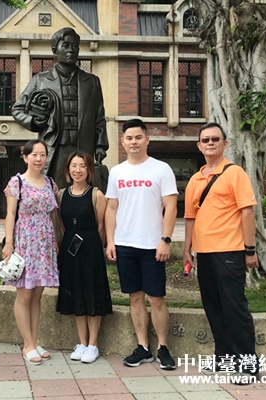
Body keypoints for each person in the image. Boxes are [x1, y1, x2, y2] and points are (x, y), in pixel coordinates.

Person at [183, 122, 259, 383]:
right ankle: (224, 357)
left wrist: (250, 250)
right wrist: (186, 251)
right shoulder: (195, 179)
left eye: (215, 139)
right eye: (205, 140)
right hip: (203, 253)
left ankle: (248, 365)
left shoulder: (235, 173)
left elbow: (247, 212)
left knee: (234, 307)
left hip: (230, 251)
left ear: (225, 143)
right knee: (213, 307)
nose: (210, 143)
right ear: (199, 145)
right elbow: (190, 218)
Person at [105, 119, 178, 370]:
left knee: (156, 298)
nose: (133, 142)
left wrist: (165, 240)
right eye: (129, 138)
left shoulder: (161, 169)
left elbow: (171, 207)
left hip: (152, 245)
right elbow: (111, 208)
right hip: (125, 244)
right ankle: (143, 347)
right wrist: (111, 241)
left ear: (147, 140)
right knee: (135, 297)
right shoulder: (117, 171)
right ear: (123, 142)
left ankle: (163, 347)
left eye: (138, 137)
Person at [11, 27, 108, 191]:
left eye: (75, 46)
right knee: (55, 195)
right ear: (55, 50)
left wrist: (100, 145)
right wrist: (34, 122)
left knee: (82, 195)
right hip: (55, 150)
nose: (71, 50)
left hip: (83, 149)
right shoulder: (40, 80)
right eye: (66, 45)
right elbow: (17, 109)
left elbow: (99, 118)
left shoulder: (92, 82)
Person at [2, 139, 59, 365]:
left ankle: (34, 341)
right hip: (25, 241)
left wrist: (55, 242)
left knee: (37, 294)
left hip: (45, 243)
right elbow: (10, 214)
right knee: (25, 294)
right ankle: (27, 344)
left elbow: (53, 214)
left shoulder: (50, 183)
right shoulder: (17, 182)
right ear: (25, 157)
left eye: (42, 154)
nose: (38, 158)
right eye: (34, 154)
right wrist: (9, 243)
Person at [56, 151, 112, 364]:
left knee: (92, 293)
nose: (77, 170)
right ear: (68, 169)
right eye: (74, 166)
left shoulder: (96, 195)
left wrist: (94, 246)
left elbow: (101, 226)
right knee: (76, 293)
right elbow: (62, 225)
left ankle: (93, 344)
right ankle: (82, 342)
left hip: (91, 249)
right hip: (70, 250)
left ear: (89, 170)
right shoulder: (61, 195)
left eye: (82, 166)